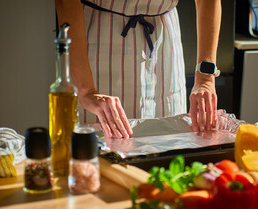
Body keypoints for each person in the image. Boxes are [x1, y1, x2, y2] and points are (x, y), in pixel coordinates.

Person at [55, 0, 221, 138]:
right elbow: (67, 3)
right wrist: (86, 90)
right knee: (99, 153)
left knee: (167, 148)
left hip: (165, 44)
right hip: (98, 37)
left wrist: (205, 77)